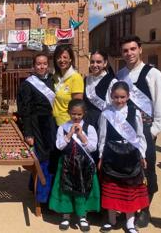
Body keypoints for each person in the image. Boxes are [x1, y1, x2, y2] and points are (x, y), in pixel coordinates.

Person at [117, 35, 161, 227]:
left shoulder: (152, 73)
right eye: (125, 50)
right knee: (126, 171)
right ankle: (128, 208)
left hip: (146, 132)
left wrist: (152, 131)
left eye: (132, 49)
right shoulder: (120, 75)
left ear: (140, 49)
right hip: (124, 131)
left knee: (146, 171)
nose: (129, 53)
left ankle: (145, 210)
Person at [98, 81, 149, 233]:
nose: (119, 100)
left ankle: (130, 223)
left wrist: (142, 155)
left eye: (122, 97)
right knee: (111, 189)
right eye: (116, 97)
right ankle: (111, 220)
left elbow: (140, 136)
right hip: (112, 155)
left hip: (131, 156)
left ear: (128, 97)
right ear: (111, 96)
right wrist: (101, 156)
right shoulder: (106, 113)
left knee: (129, 190)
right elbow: (102, 136)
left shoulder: (135, 113)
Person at [49, 99, 100, 232]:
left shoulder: (90, 128)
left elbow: (93, 147)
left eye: (79, 114)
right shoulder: (62, 127)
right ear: (68, 113)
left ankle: (82, 216)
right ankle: (66, 216)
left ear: (84, 114)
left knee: (82, 190)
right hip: (67, 164)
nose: (76, 117)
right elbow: (59, 146)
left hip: (84, 165)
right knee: (65, 190)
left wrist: (81, 135)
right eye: (73, 114)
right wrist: (70, 134)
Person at [17, 54, 57, 205]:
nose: (42, 67)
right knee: (42, 158)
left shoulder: (54, 80)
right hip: (37, 125)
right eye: (39, 64)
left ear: (48, 65)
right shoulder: (27, 84)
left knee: (53, 156)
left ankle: (45, 190)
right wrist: (28, 132)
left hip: (52, 123)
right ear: (34, 66)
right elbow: (24, 110)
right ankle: (43, 197)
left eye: (45, 64)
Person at [84, 50, 117, 162]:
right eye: (92, 62)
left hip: (103, 123)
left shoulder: (111, 81)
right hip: (88, 123)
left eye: (99, 62)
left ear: (105, 63)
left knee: (101, 155)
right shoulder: (86, 80)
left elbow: (112, 106)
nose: (95, 65)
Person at [52, 44, 84, 127]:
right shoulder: (54, 77)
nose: (62, 60)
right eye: (59, 57)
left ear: (70, 59)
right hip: (53, 122)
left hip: (68, 124)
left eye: (65, 57)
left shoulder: (76, 77)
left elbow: (77, 106)